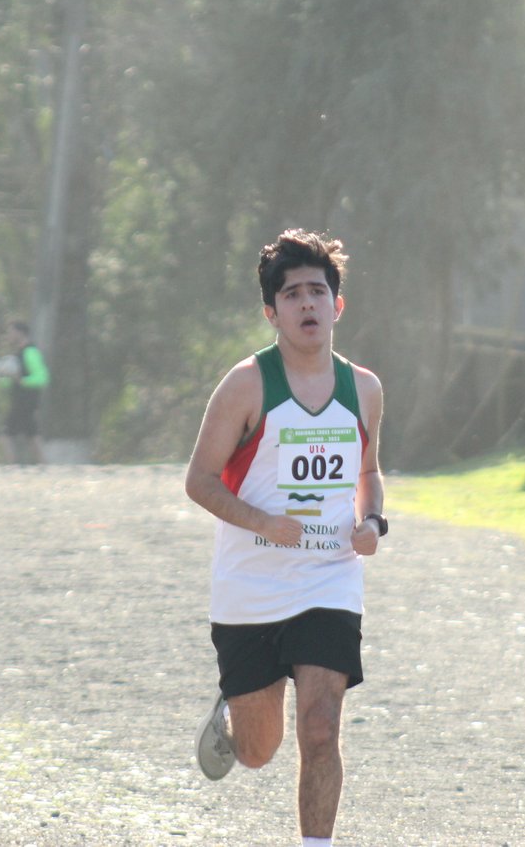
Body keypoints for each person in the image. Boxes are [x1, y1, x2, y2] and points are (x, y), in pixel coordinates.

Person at [183, 229, 387, 847]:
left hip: (329, 577)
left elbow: (368, 472)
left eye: (317, 292)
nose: (306, 305)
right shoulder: (246, 386)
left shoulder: (365, 389)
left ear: (337, 306)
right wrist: (262, 522)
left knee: (321, 728)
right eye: (292, 294)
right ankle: (231, 713)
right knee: (259, 750)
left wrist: (372, 521)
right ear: (271, 311)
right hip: (250, 586)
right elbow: (198, 481)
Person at [0, 320, 49, 464]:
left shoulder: (30, 352)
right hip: (20, 401)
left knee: (6, 434)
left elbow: (42, 377)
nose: (8, 336)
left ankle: (11, 465)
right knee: (32, 436)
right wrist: (2, 378)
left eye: (11, 332)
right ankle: (44, 465)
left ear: (20, 333)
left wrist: (22, 381)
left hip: (26, 402)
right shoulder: (17, 355)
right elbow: (12, 380)